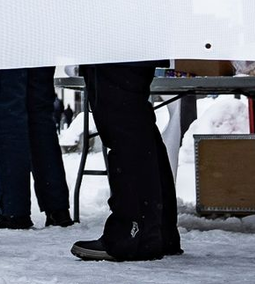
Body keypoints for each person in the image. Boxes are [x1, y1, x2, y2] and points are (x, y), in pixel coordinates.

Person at [70, 61, 181, 262]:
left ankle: (134, 235)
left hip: (114, 46)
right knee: (134, 117)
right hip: (127, 46)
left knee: (122, 119)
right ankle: (158, 232)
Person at [0, 67, 73, 229]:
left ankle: (12, 210)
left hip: (4, 51)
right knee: (41, 119)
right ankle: (57, 208)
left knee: (6, 119)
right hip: (38, 49)